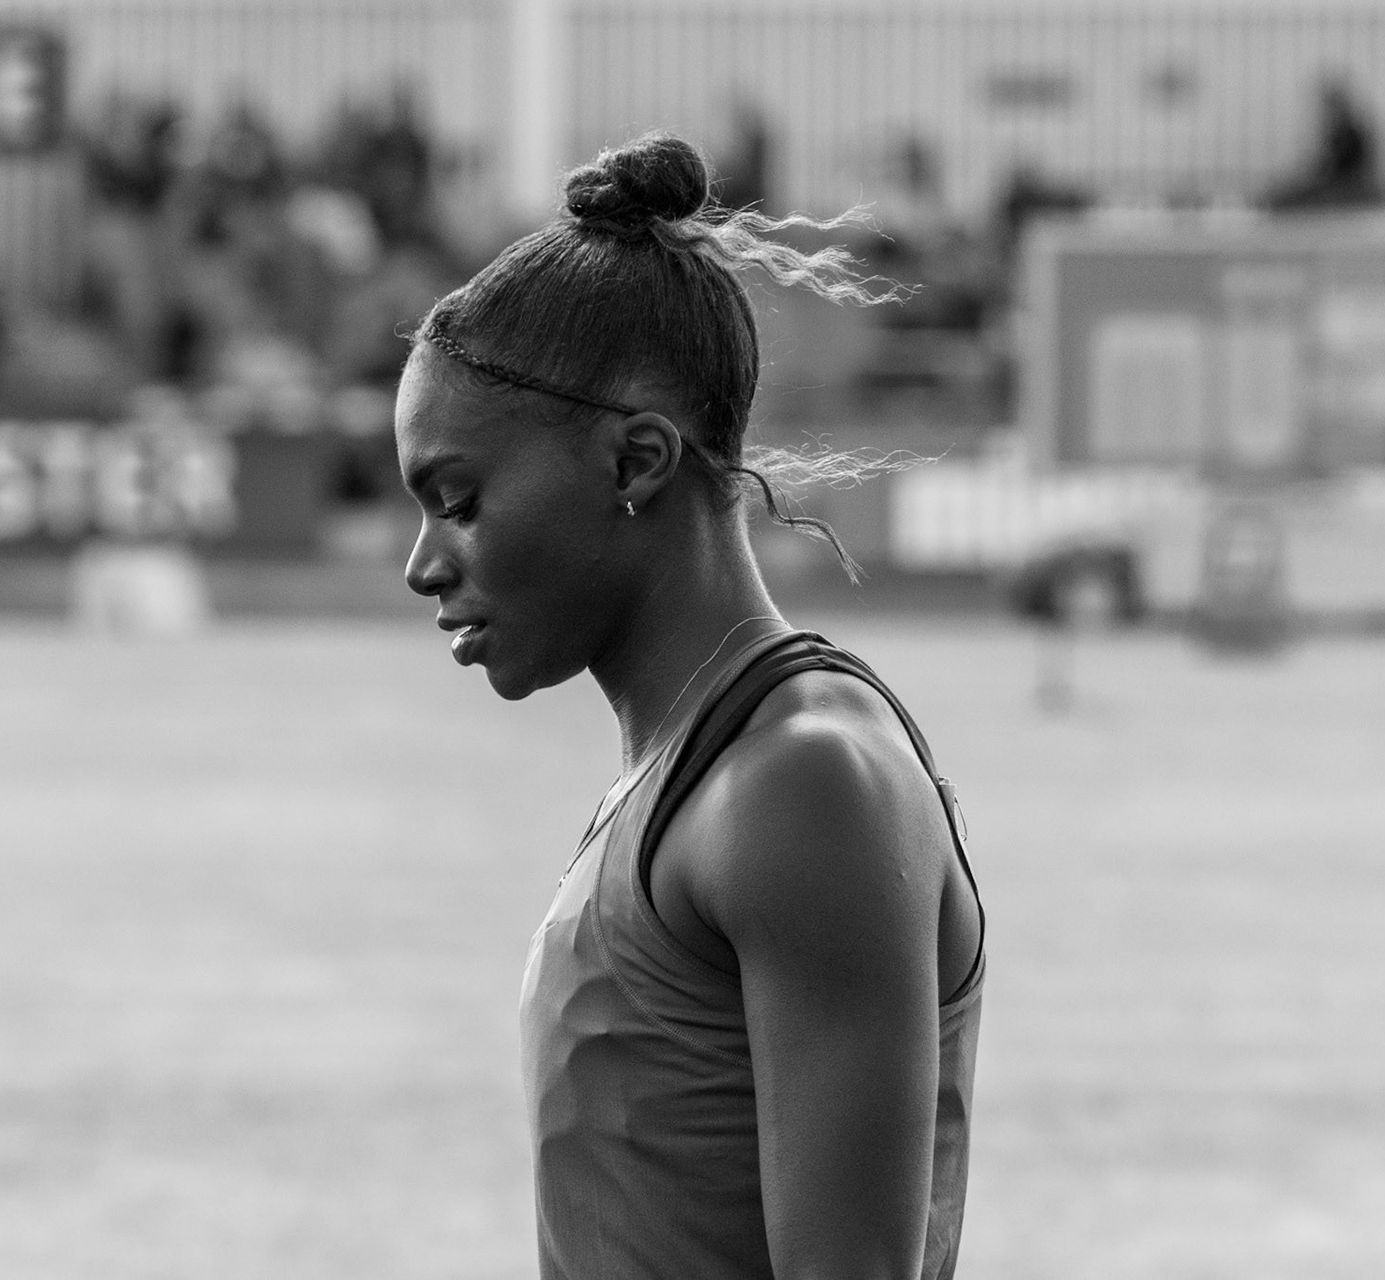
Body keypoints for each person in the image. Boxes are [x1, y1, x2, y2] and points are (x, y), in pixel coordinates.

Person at [392, 133, 987, 1280]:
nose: (423, 564)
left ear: (635, 462)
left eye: (458, 501)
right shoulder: (688, 769)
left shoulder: (803, 782)